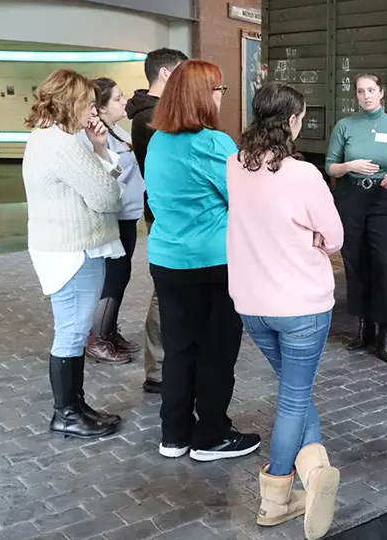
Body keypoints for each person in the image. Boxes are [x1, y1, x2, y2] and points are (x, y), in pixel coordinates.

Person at [227, 83, 343, 538]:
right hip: (301, 306)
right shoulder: (303, 174)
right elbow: (333, 237)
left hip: (252, 304)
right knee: (294, 397)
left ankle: (315, 473)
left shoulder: (234, 165)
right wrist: (314, 237)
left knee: (296, 391)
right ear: (292, 121)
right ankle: (275, 496)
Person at [144, 59, 260, 462]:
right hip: (211, 263)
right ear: (200, 95)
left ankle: (174, 434)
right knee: (216, 350)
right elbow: (242, 200)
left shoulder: (158, 139)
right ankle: (211, 436)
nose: (220, 97)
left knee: (179, 349)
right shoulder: (212, 143)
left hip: (166, 259)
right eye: (218, 90)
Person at [22, 69, 126, 439]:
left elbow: (100, 187)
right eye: (86, 102)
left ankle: (75, 405)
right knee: (70, 333)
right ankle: (66, 412)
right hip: (71, 250)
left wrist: (98, 149)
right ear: (71, 102)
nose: (91, 110)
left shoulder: (52, 137)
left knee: (75, 330)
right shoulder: (60, 143)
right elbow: (107, 196)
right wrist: (100, 158)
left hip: (69, 247)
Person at [325, 73, 387, 363]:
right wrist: (350, 164)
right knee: (355, 262)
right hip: (352, 198)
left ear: (382, 92)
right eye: (361, 91)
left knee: (383, 264)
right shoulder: (345, 126)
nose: (366, 96)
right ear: (356, 96)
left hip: (384, 200)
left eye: (371, 90)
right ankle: (364, 328)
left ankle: (385, 332)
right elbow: (331, 168)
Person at [126, 47, 188, 394]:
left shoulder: (159, 113)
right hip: (165, 214)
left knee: (169, 288)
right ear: (166, 74)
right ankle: (158, 367)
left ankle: (166, 362)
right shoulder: (151, 118)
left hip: (169, 212)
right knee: (164, 289)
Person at [79, 77, 145, 364]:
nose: (123, 102)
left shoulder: (117, 130)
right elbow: (103, 176)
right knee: (112, 277)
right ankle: (96, 338)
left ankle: (108, 330)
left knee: (122, 275)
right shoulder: (92, 137)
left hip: (128, 214)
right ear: (101, 108)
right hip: (112, 218)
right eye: (117, 98)